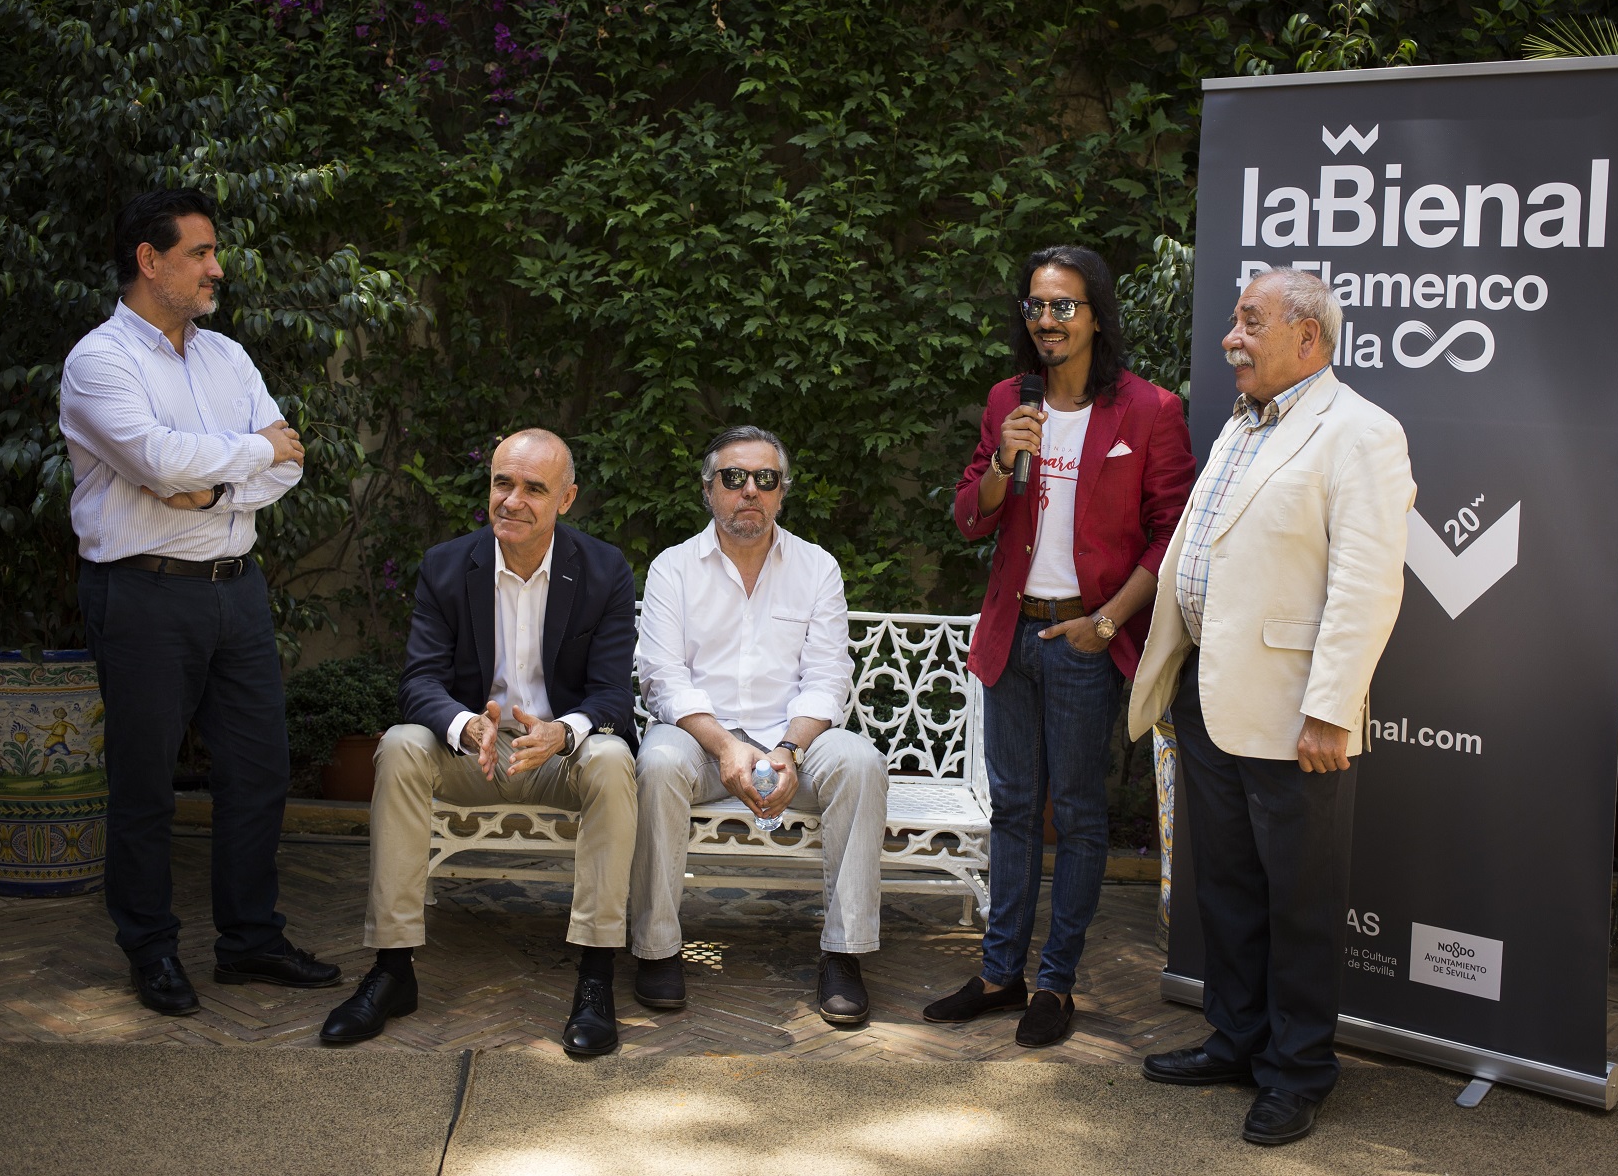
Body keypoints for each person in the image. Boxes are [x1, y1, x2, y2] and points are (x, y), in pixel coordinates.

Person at [1130, 268, 1415, 1145]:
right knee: (1227, 888)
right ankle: (1237, 1040)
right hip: (1209, 694)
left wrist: (1331, 709)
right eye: (1234, 320)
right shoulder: (1240, 425)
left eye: (1250, 322)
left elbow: (1367, 584)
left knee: (1300, 901)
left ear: (1308, 337)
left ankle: (1298, 1071)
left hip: (1297, 718)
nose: (1231, 338)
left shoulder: (1362, 432)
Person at [60, 187, 340, 1015]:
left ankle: (249, 941)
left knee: (259, 773)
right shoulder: (100, 362)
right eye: (201, 253)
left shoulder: (228, 357)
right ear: (150, 261)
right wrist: (247, 453)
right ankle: (150, 950)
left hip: (236, 591)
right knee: (144, 783)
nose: (217, 268)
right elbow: (158, 459)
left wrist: (212, 489)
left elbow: (289, 461)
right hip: (141, 594)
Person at [926, 244, 1195, 1046]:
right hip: (1012, 635)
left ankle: (1056, 984)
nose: (1047, 320)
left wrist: (1106, 622)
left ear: (1096, 316)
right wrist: (1004, 459)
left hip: (1083, 639)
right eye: (1036, 306)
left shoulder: (1149, 410)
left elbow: (1172, 536)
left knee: (1076, 815)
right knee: (1014, 809)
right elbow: (970, 516)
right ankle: (999, 974)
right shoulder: (1009, 400)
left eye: (1064, 306)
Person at [318, 429, 639, 1057]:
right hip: (476, 753)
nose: (512, 500)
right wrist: (465, 725)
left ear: (566, 499)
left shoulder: (603, 571)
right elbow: (419, 681)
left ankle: (596, 976)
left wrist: (561, 732)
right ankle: (393, 969)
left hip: (559, 755)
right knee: (402, 746)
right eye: (502, 483)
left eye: (533, 488)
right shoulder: (447, 566)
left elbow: (611, 696)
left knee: (610, 758)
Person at [632, 426, 889, 1025]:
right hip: (700, 740)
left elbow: (828, 677)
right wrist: (725, 746)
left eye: (765, 479)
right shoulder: (674, 568)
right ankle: (657, 948)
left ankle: (844, 953)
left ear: (782, 492)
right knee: (657, 762)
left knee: (860, 763)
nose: (750, 490)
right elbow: (663, 678)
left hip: (790, 740)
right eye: (734, 477)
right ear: (709, 489)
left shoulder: (816, 567)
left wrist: (789, 748)